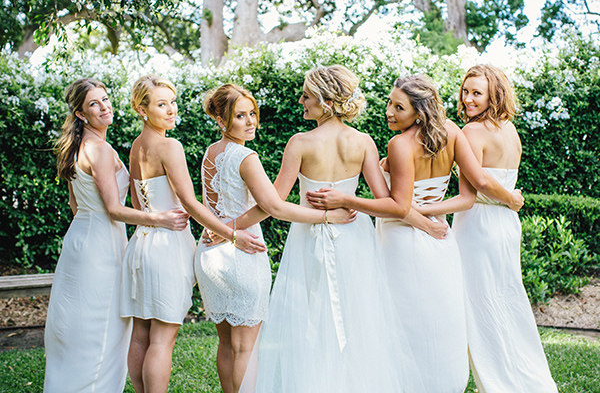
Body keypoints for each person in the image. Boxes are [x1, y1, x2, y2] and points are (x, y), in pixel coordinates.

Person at [307, 74, 524, 392]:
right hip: (441, 239)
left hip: (401, 241)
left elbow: (397, 206)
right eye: (390, 103)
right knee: (439, 321)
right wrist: (425, 213)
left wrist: (346, 199)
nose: (389, 112)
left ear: (419, 111)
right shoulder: (451, 132)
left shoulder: (400, 144)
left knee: (401, 322)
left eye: (399, 107)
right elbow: (465, 199)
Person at [229, 65, 425, 392]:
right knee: (356, 314)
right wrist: (350, 200)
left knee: (312, 318)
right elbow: (387, 202)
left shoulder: (300, 143)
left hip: (309, 236)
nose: (302, 101)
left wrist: (228, 226)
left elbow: (272, 202)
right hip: (354, 233)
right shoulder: (363, 142)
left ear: (325, 99)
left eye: (307, 95)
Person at [194, 83, 355, 393]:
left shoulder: (210, 152)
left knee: (227, 343)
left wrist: (225, 230)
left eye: (252, 113)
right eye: (240, 116)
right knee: (245, 349)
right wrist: (328, 216)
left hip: (210, 254)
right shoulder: (245, 155)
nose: (250, 121)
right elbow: (275, 206)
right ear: (220, 120)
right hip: (241, 254)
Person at [119, 76, 268, 393]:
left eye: (172, 102)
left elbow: (136, 202)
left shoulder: (137, 145)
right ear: (142, 109)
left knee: (141, 333)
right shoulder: (169, 145)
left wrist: (156, 215)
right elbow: (189, 201)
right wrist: (231, 233)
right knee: (162, 338)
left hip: (141, 244)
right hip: (167, 245)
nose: (171, 110)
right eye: (162, 104)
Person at [416, 65, 558, 392]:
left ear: (494, 94)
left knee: (477, 302)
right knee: (506, 298)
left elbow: (479, 181)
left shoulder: (473, 132)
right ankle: (528, 377)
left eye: (476, 93)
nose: (467, 99)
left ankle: (498, 383)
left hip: (479, 223)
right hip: (506, 224)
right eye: (465, 91)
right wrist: (511, 200)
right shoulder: (509, 129)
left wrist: (508, 198)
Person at [44, 78, 189, 392]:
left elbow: (75, 204)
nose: (104, 107)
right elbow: (113, 208)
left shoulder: (77, 147)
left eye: (105, 99)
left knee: (84, 325)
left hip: (79, 238)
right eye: (94, 104)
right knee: (102, 328)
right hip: (100, 245)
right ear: (81, 114)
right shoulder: (99, 150)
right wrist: (160, 218)